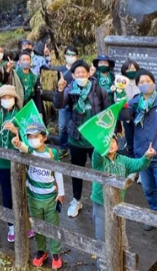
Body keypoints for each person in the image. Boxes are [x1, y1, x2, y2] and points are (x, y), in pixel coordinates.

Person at [118, 69, 157, 247]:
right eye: (141, 81)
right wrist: (119, 99)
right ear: (137, 85)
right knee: (149, 191)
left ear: (154, 82)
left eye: (148, 80)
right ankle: (155, 217)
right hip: (142, 157)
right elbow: (124, 116)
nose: (145, 83)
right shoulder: (134, 103)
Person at [53, 60, 111, 218]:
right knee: (76, 170)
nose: (80, 75)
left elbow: (108, 110)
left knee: (100, 170)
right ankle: (76, 199)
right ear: (72, 75)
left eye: (83, 73)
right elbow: (58, 105)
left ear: (89, 73)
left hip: (95, 138)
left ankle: (100, 200)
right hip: (76, 137)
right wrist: (59, 90)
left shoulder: (98, 89)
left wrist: (107, 132)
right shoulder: (69, 89)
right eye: (77, 73)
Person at [91, 136, 155, 271]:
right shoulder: (99, 161)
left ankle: (124, 265)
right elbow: (97, 153)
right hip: (101, 204)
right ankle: (103, 267)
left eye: (113, 141)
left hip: (119, 205)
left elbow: (138, 164)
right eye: (107, 142)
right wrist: (101, 142)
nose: (111, 144)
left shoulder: (123, 160)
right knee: (102, 239)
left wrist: (146, 156)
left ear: (118, 144)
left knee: (122, 237)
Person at [12, 122, 64, 270]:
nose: (32, 139)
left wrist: (61, 193)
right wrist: (17, 143)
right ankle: (41, 250)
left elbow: (58, 171)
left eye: (36, 136)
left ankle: (56, 253)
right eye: (30, 137)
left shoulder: (52, 154)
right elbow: (22, 147)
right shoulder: (29, 152)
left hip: (50, 198)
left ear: (44, 138)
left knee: (53, 226)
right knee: (37, 225)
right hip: (33, 197)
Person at [0, 85, 34, 242]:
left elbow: (30, 134)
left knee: (22, 191)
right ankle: (11, 227)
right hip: (1, 161)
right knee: (6, 193)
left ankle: (25, 224)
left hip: (19, 159)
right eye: (4, 98)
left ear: (15, 99)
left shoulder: (21, 115)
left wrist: (15, 130)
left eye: (10, 97)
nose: (7, 100)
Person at [52, 46, 79, 158]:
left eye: (73, 54)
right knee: (63, 126)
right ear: (65, 55)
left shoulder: (79, 69)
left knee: (76, 126)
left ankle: (75, 149)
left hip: (77, 103)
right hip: (64, 102)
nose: (71, 57)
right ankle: (63, 148)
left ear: (77, 56)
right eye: (69, 54)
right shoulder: (61, 70)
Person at [120, 60, 141, 155]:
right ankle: (131, 161)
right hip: (127, 116)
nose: (131, 70)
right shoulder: (121, 84)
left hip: (141, 115)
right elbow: (117, 100)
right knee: (130, 139)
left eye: (133, 68)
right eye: (128, 69)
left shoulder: (141, 81)